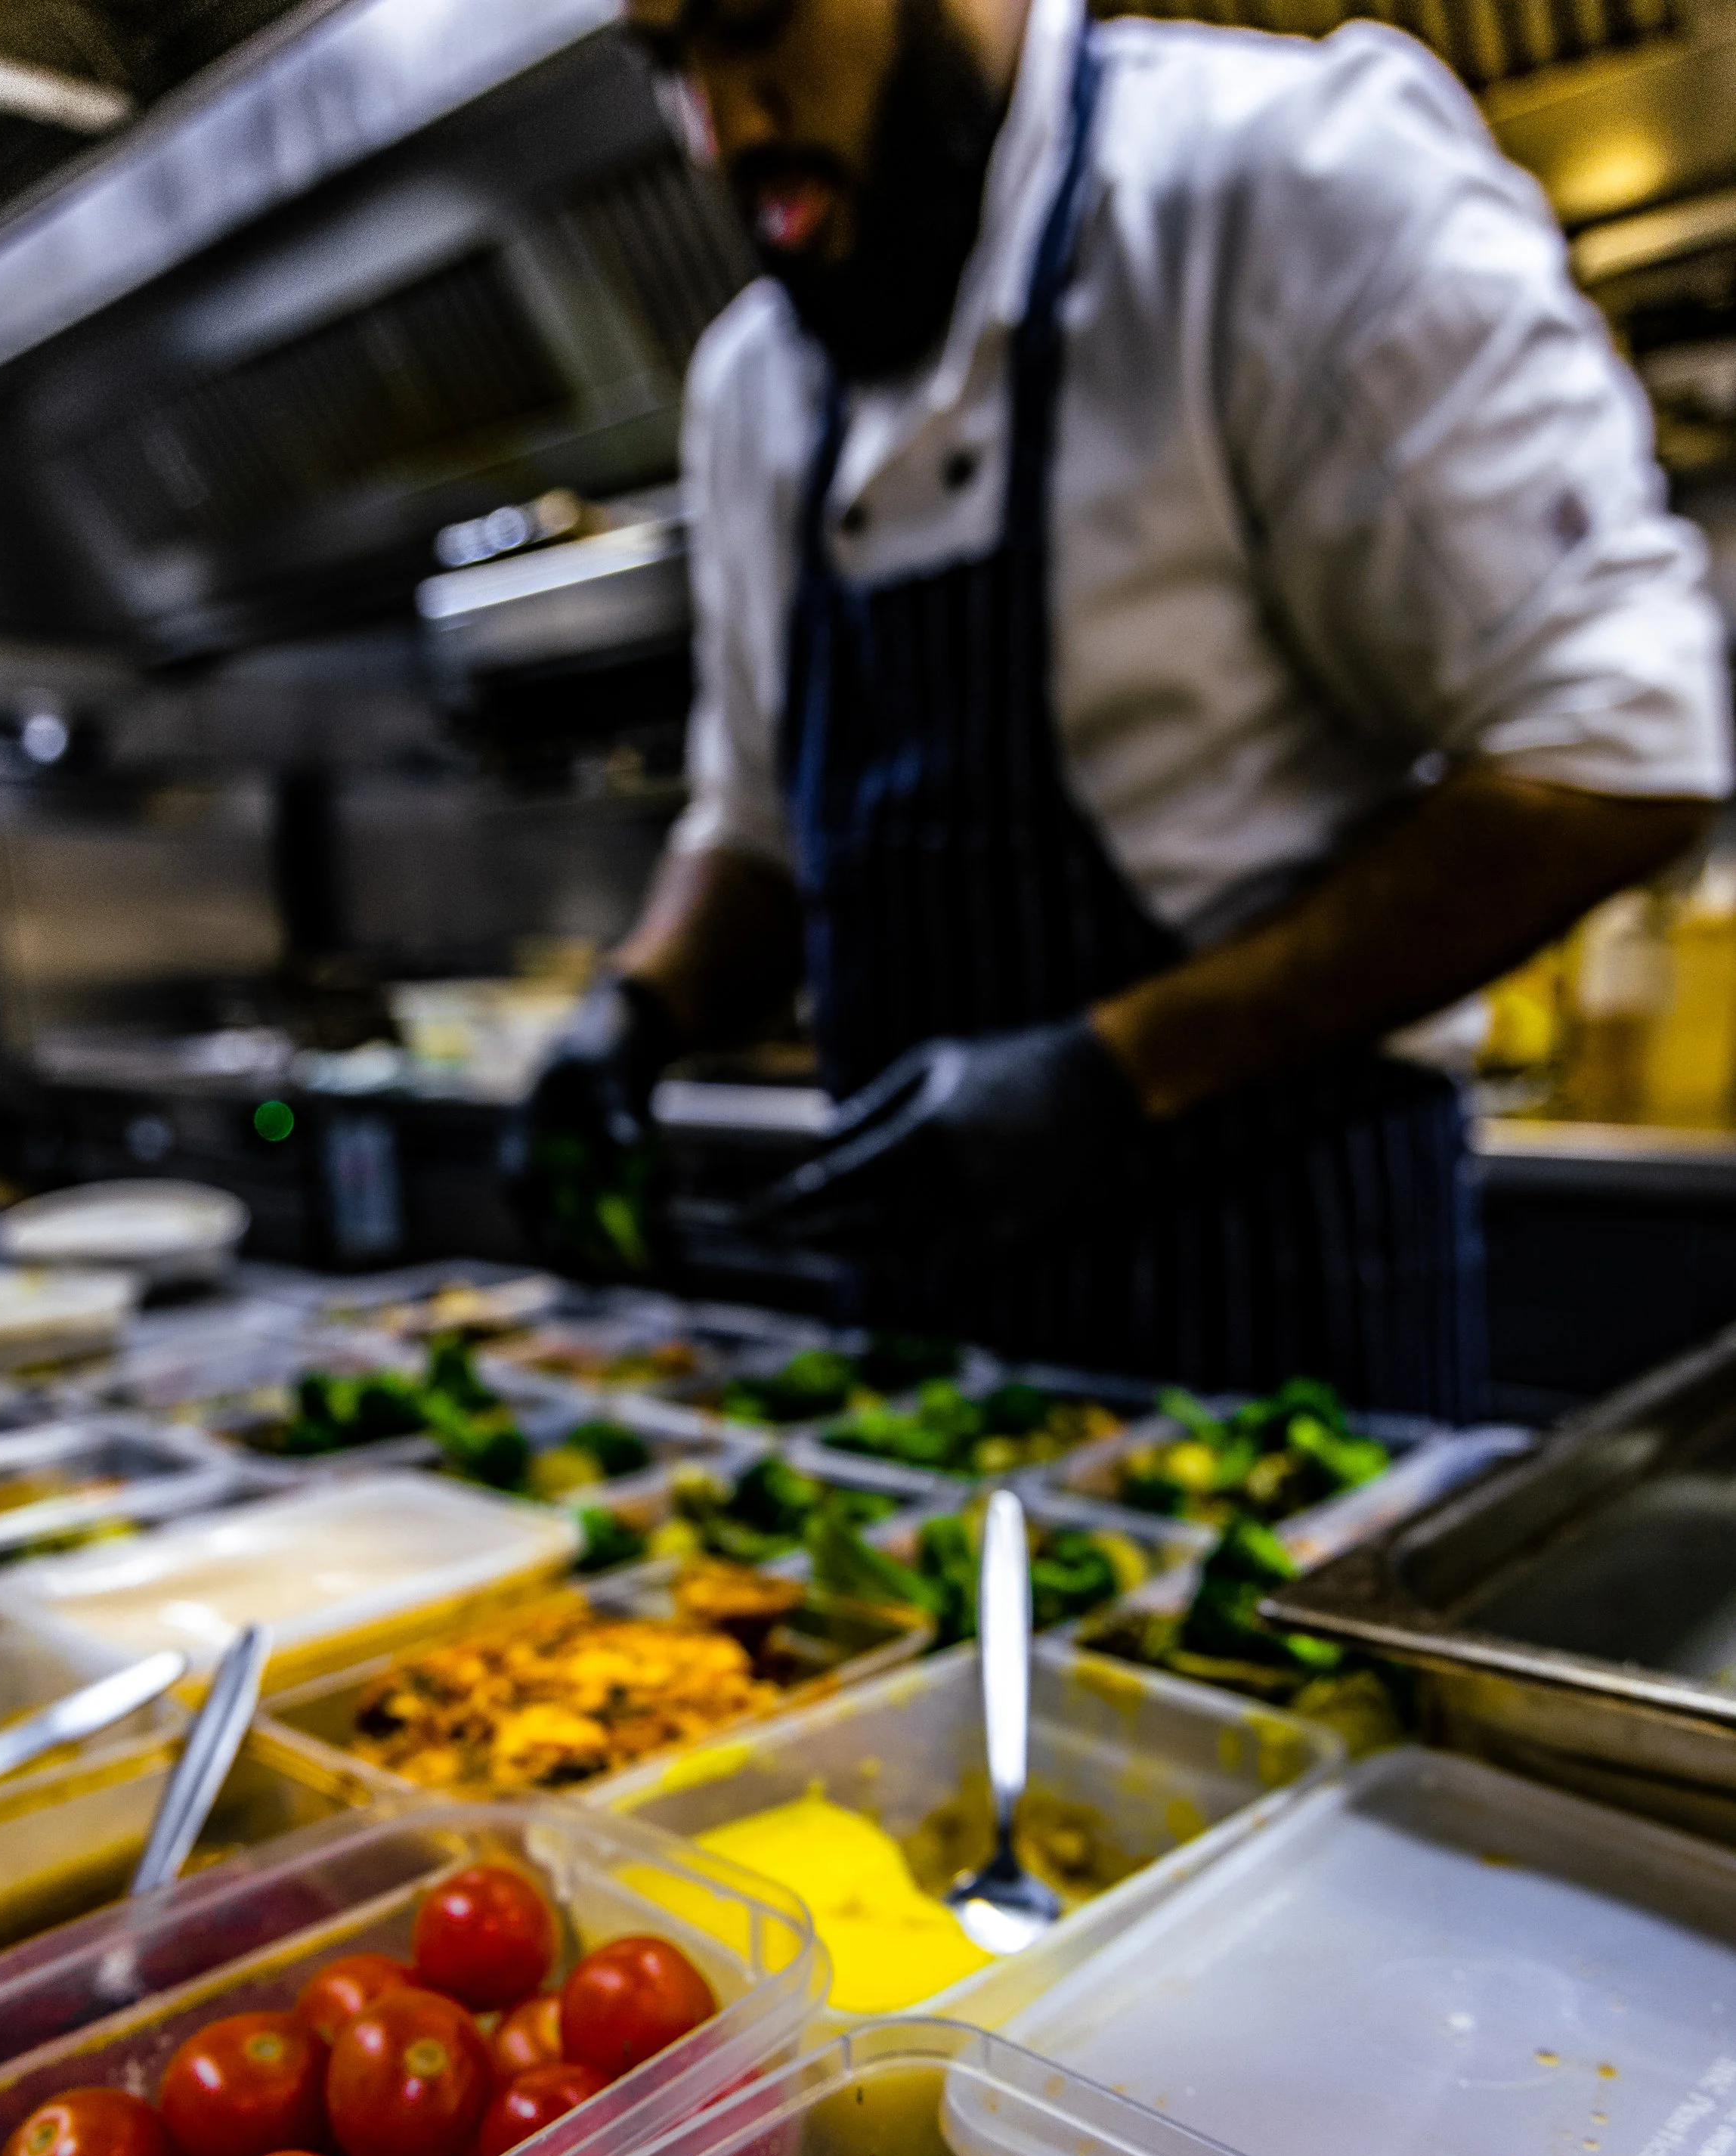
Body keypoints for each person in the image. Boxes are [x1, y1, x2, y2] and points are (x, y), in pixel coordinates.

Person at [509, 0, 1731, 1414]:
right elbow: (761, 827)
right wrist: (632, 1015)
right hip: (913, 1353)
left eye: (754, 28)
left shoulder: (1281, 186)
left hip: (1276, 1331)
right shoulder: (753, 387)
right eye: (668, 66)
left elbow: (1622, 743)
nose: (719, 127)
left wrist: (1113, 1072)